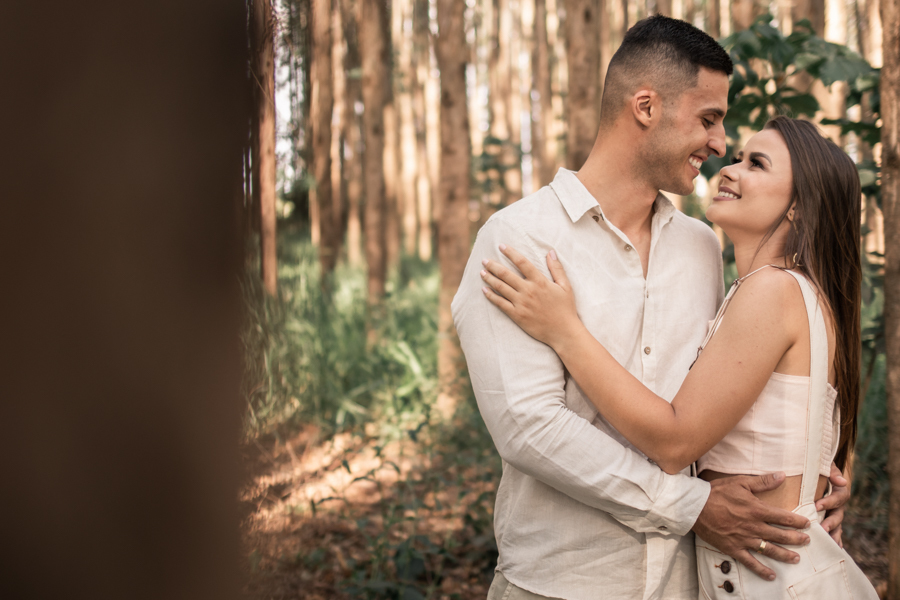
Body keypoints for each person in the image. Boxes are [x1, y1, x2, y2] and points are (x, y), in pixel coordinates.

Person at [451, 15, 849, 600]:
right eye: (709, 119)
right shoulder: (519, 239)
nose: (718, 145)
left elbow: (730, 401)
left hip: (692, 583)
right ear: (645, 106)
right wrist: (690, 506)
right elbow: (530, 429)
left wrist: (815, 477)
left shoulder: (701, 247)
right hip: (561, 582)